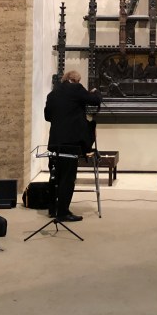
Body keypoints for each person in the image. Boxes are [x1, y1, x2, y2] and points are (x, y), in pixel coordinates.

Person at [44, 70, 100, 223]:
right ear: (75, 80)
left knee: (55, 176)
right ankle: (63, 212)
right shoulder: (76, 89)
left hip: (55, 142)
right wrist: (96, 92)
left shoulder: (52, 94)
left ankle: (53, 209)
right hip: (70, 142)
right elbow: (94, 100)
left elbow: (47, 116)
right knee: (67, 179)